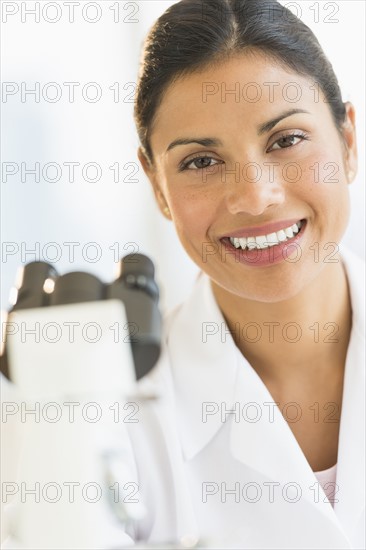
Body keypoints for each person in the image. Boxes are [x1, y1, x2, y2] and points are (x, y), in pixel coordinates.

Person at [1, 1, 364, 549]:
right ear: (156, 185)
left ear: (348, 140)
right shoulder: (103, 408)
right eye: (200, 161)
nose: (254, 197)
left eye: (287, 140)